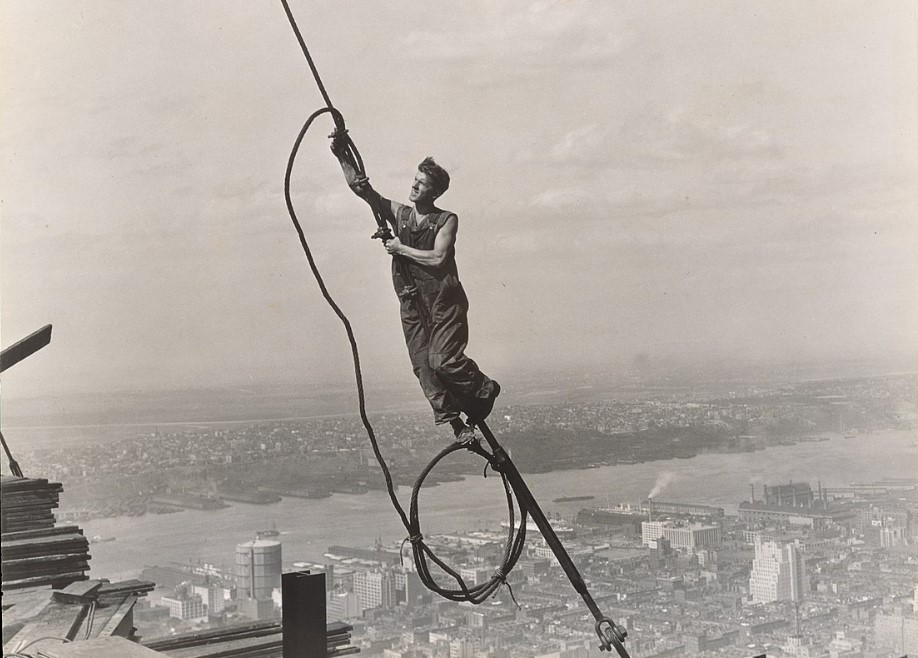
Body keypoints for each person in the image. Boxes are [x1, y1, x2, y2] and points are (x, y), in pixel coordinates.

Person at [331, 133, 500, 441]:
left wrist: (400, 249)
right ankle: (457, 426)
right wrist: (341, 155)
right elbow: (364, 191)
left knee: (443, 361)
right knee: (423, 366)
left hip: (443, 303)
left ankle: (485, 389)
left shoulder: (446, 220)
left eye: (421, 183)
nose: (414, 186)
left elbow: (438, 258)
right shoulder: (402, 215)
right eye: (414, 179)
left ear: (434, 191)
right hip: (411, 301)